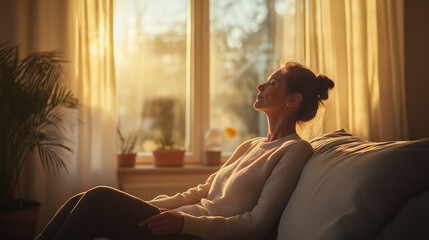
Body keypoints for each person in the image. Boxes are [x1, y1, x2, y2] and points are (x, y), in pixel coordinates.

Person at [35, 61, 334, 240]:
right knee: (83, 199)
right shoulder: (251, 145)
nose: (260, 86)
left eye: (272, 82)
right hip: (178, 222)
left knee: (98, 197)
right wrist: (146, 205)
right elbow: (202, 191)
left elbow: (256, 225)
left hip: (193, 235)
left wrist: (185, 222)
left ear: (292, 100)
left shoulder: (295, 151)